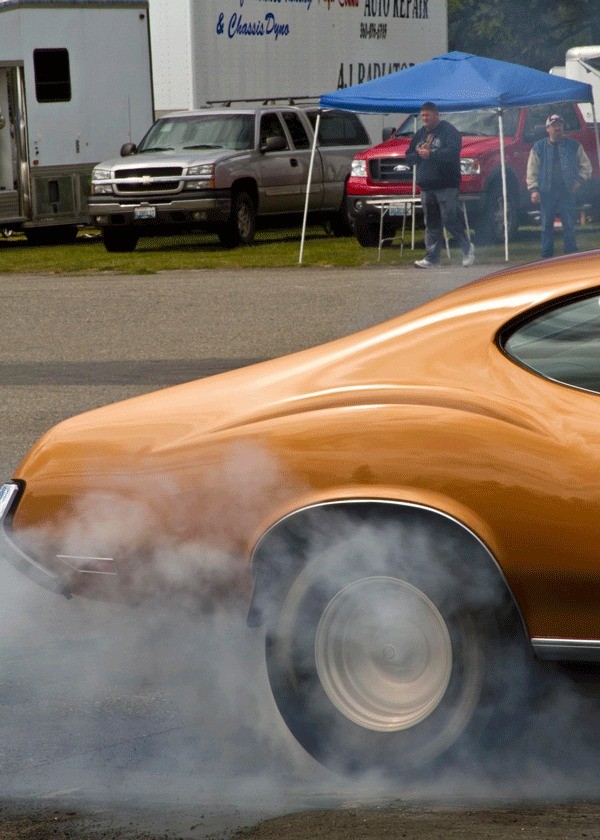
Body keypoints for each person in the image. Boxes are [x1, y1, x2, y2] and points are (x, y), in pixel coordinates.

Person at [405, 101, 474, 269]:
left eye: (427, 115)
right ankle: (432, 258)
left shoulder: (449, 131)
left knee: (450, 219)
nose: (424, 118)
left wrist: (432, 154)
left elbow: (452, 153)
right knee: (432, 224)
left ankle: (467, 249)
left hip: (446, 184)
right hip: (427, 186)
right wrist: (419, 154)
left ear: (436, 115)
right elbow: (408, 156)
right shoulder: (420, 134)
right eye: (422, 115)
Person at [526, 113, 592, 259]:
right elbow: (532, 170)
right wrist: (534, 190)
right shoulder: (538, 147)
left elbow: (586, 166)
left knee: (568, 224)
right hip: (546, 192)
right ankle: (546, 257)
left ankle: (570, 256)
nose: (557, 128)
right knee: (546, 226)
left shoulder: (574, 145)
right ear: (547, 129)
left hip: (566, 191)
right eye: (554, 126)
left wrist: (579, 181)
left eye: (559, 125)